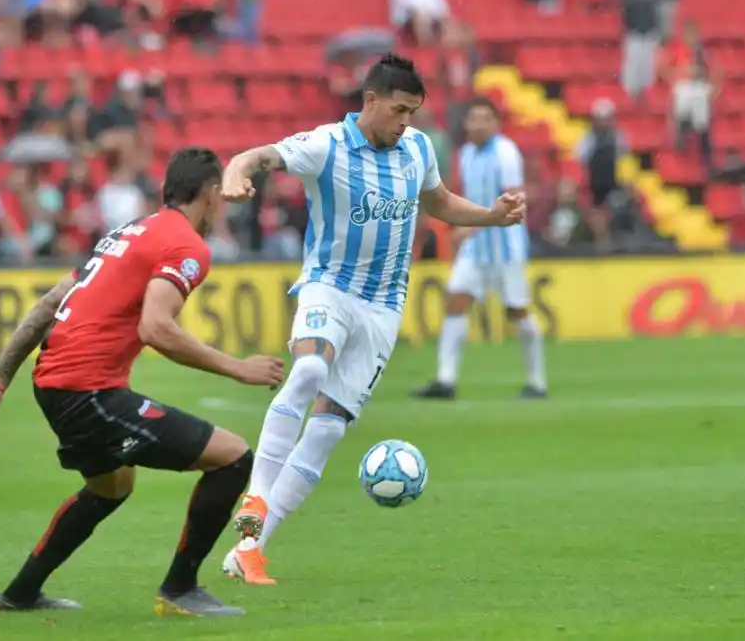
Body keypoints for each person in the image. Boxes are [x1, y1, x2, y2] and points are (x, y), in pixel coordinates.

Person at [216, 54, 526, 585]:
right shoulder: (326, 145)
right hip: (329, 287)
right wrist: (235, 173)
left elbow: (442, 203)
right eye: (399, 110)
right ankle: (257, 499)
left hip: (383, 307)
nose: (406, 121)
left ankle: (249, 549)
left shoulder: (417, 149)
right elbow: (258, 156)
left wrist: (492, 216)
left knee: (329, 429)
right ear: (370, 101)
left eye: (413, 112)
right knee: (310, 372)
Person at [0, 148, 284, 617]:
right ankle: (180, 588)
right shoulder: (186, 246)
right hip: (89, 392)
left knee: (111, 486)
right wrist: (237, 368)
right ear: (210, 193)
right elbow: (156, 328)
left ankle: (20, 594)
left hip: (56, 384)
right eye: (219, 198)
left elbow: (48, 306)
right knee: (232, 458)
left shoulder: (126, 233)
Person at [412, 98, 547, 400]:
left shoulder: (506, 152)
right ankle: (446, 380)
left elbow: (514, 201)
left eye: (486, 118)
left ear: (496, 123)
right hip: (476, 248)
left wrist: (471, 227)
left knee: (517, 313)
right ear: (466, 124)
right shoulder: (468, 154)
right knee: (456, 302)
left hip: (505, 247)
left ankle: (537, 382)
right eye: (474, 118)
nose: (480, 124)